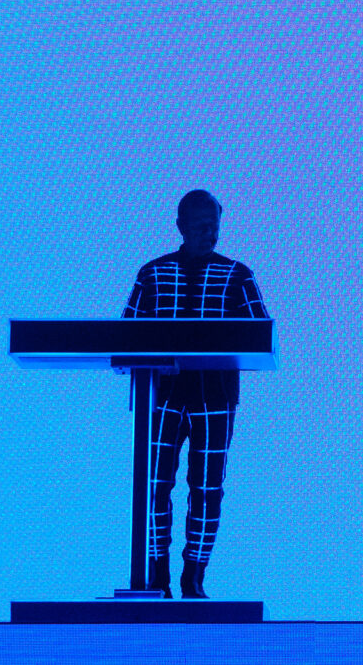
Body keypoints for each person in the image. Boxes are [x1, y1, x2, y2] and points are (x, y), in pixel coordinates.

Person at [122, 189, 268, 599]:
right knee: (153, 485)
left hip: (215, 398)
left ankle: (194, 577)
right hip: (159, 398)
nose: (210, 234)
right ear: (181, 227)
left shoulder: (237, 275)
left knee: (207, 488)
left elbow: (260, 335)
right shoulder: (152, 274)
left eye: (214, 226)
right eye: (201, 226)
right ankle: (156, 576)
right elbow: (124, 334)